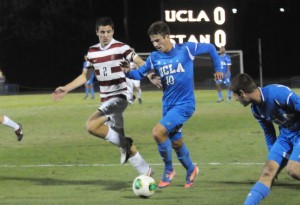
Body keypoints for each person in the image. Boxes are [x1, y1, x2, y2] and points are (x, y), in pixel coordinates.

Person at [52, 17, 160, 176]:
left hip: (121, 95)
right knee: (120, 141)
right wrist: (66, 89)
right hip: (106, 99)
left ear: (113, 32)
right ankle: (145, 170)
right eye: (102, 32)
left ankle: (125, 143)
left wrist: (149, 74)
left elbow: (138, 60)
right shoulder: (92, 51)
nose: (105, 35)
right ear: (97, 32)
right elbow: (85, 76)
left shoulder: (120, 47)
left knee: (91, 125)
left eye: (108, 31)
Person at [121, 21, 223, 188]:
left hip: (185, 104)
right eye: (153, 41)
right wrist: (127, 72)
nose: (156, 44)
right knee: (176, 142)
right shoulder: (154, 57)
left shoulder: (187, 49)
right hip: (168, 106)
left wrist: (218, 68)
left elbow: (211, 48)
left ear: (167, 36)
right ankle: (191, 169)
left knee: (157, 132)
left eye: (158, 40)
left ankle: (169, 170)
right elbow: (139, 74)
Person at [230, 73, 300, 204]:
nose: (235, 99)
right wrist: (274, 159)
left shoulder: (277, 93)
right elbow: (269, 132)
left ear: (242, 93)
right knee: (268, 172)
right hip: (285, 136)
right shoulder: (256, 110)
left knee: (294, 170)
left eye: (235, 95)